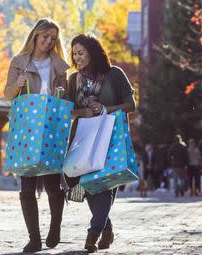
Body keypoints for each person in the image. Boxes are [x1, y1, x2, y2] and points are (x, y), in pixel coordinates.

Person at [64, 34, 135, 253]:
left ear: (93, 52)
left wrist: (106, 110)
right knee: (88, 185)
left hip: (110, 136)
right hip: (83, 138)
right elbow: (68, 110)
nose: (77, 57)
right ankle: (107, 228)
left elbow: (131, 104)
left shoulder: (114, 74)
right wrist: (83, 111)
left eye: (81, 52)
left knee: (104, 185)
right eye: (74, 53)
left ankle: (93, 233)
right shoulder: (73, 79)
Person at [3, 18, 70, 253]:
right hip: (27, 128)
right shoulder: (20, 62)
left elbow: (67, 99)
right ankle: (34, 238)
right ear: (35, 36)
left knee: (53, 183)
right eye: (45, 37)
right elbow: (8, 94)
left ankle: (55, 228)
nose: (49, 42)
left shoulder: (59, 65)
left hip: (50, 126)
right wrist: (18, 84)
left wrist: (62, 93)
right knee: (27, 186)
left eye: (53, 39)